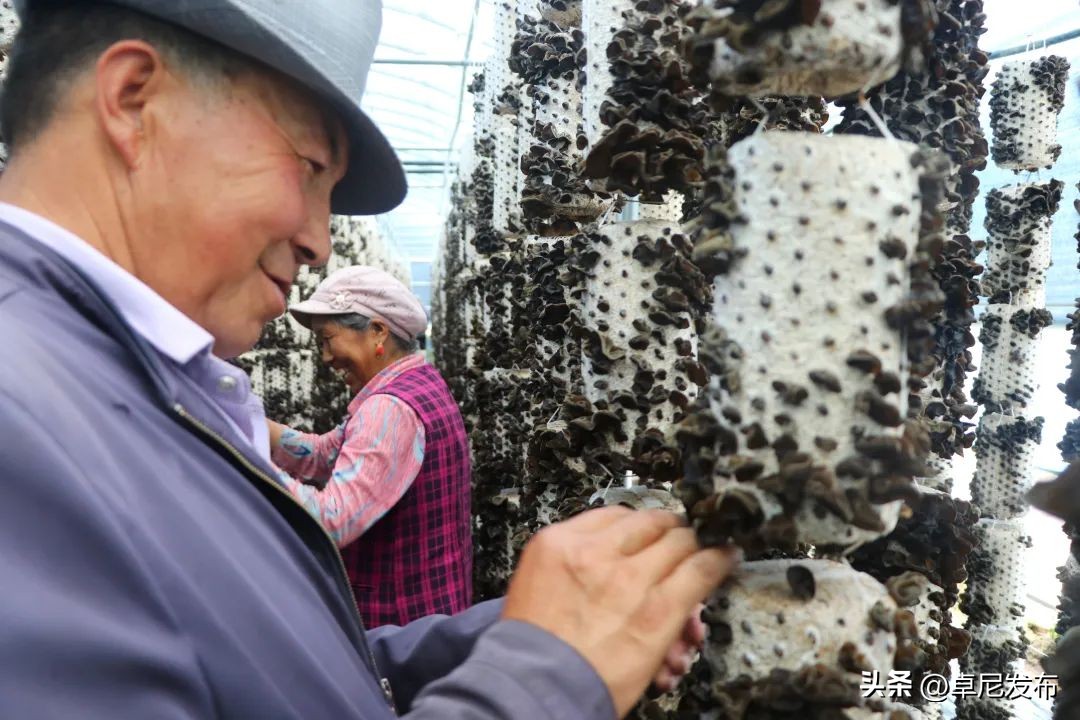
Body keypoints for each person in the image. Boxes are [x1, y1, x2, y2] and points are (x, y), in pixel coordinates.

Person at [0, 1, 737, 718]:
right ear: (134, 101)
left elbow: (285, 669)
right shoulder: (20, 425)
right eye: (312, 166)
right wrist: (548, 677)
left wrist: (533, 630)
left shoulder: (130, 386)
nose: (321, 239)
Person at [268, 265, 473, 628]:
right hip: (434, 613)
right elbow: (324, 454)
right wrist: (245, 425)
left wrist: (243, 461)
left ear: (378, 330)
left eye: (327, 339)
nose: (326, 357)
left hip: (399, 627)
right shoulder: (418, 380)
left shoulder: (389, 410)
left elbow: (330, 521)